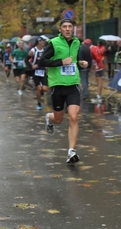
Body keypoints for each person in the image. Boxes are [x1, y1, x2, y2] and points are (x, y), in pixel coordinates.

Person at [39, 18, 89, 164]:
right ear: (60, 29)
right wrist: (60, 62)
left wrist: (81, 63)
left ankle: (71, 151)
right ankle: (50, 118)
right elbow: (42, 61)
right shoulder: (53, 43)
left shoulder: (77, 42)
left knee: (73, 116)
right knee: (59, 119)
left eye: (70, 26)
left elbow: (73, 61)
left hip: (73, 84)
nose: (67, 29)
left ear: (73, 28)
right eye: (64, 27)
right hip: (57, 85)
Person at [25, 36, 49, 110]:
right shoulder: (33, 50)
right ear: (39, 42)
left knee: (45, 89)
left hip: (43, 71)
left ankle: (40, 93)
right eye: (43, 41)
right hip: (35, 72)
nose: (44, 42)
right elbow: (26, 60)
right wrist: (32, 66)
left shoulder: (45, 50)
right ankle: (39, 103)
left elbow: (47, 59)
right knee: (38, 88)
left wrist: (47, 65)